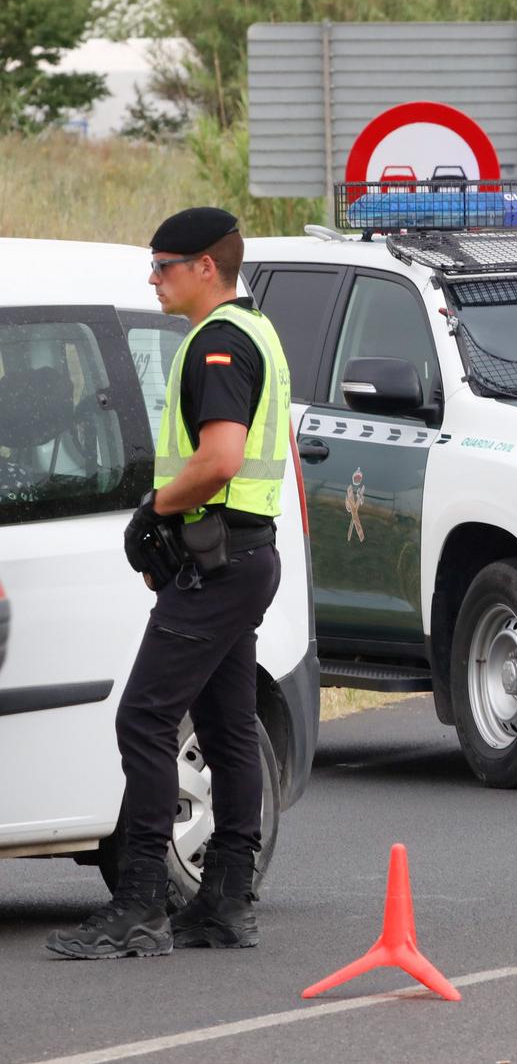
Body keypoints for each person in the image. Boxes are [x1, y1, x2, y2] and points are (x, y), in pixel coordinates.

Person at [48, 208, 293, 960]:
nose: (153, 278)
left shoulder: (218, 345)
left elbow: (219, 458)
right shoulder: (255, 331)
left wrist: (153, 507)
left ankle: (140, 906)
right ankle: (224, 900)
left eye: (163, 265)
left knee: (144, 721)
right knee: (224, 729)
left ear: (205, 268)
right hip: (240, 557)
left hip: (219, 564)